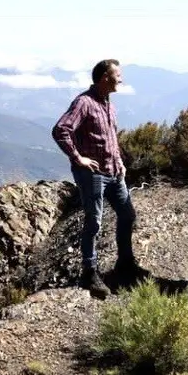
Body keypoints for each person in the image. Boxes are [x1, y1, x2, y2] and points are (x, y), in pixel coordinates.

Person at [52, 58, 149, 298]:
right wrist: (78, 158)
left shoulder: (109, 105)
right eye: (118, 75)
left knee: (127, 215)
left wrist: (120, 162)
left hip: (114, 172)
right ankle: (89, 272)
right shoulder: (84, 103)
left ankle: (125, 262)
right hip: (93, 174)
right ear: (105, 77)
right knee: (94, 222)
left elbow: (110, 138)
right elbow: (61, 130)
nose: (121, 80)